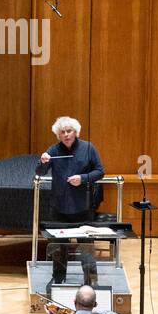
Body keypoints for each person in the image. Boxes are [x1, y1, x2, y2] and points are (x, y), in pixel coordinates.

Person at [38, 117, 104, 293]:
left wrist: (82, 179)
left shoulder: (88, 148)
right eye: (62, 132)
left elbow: (100, 171)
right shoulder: (53, 150)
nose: (66, 135)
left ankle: (91, 280)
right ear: (58, 135)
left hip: (82, 207)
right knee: (58, 247)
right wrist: (42, 161)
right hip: (59, 208)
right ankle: (58, 278)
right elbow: (39, 172)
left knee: (86, 246)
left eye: (69, 131)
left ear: (76, 132)